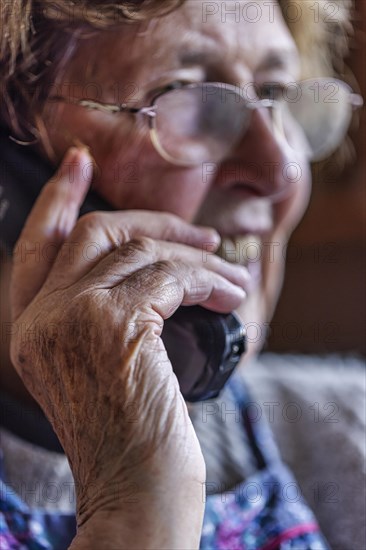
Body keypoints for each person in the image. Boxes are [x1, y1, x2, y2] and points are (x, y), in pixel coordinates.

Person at [0, 0, 363, 548]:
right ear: (14, 175)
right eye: (190, 101)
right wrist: (134, 509)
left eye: (277, 94)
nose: (280, 169)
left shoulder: (349, 433)